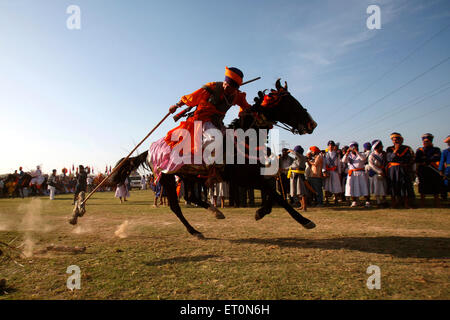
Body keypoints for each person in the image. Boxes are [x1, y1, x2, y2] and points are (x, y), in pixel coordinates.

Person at [149, 67, 252, 186]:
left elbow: (245, 107)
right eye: (225, 84)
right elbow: (193, 97)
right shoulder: (212, 87)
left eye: (230, 87)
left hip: (218, 123)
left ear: (235, 88)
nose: (226, 88)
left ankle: (224, 169)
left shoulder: (237, 96)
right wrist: (177, 105)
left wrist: (246, 112)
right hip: (202, 121)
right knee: (213, 139)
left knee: (231, 141)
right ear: (224, 81)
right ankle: (211, 170)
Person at [386, 132, 415, 208]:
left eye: (397, 140)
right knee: (393, 186)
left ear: (400, 140)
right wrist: (395, 151)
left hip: (403, 169)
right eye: (393, 140)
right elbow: (390, 159)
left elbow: (408, 158)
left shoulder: (407, 149)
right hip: (393, 170)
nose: (395, 142)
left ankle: (406, 203)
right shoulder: (389, 149)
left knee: (404, 186)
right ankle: (394, 203)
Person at [415, 133, 442, 207]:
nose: (424, 142)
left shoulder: (436, 149)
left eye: (427, 141)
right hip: (423, 171)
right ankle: (422, 204)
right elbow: (417, 159)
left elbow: (437, 157)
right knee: (422, 188)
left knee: (435, 188)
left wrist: (427, 160)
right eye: (424, 141)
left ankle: (437, 203)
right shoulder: (419, 150)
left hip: (433, 170)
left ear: (430, 141)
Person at [342, 142, 370, 207]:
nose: (353, 149)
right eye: (352, 147)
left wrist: (357, 152)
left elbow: (363, 158)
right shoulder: (348, 155)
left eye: (355, 147)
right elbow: (343, 161)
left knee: (364, 187)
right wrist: (347, 153)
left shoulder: (361, 154)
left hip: (360, 172)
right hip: (352, 173)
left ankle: (367, 201)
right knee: (352, 187)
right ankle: (354, 201)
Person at [368, 140, 388, 207]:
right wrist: (379, 171)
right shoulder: (372, 155)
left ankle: (384, 201)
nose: (382, 147)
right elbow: (371, 165)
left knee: (384, 187)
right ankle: (378, 201)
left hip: (383, 173)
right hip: (375, 173)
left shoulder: (384, 154)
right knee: (377, 188)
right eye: (380, 146)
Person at [287, 146, 307, 210]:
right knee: (295, 192)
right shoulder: (295, 159)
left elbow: (296, 154)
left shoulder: (302, 157)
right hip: (293, 176)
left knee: (301, 192)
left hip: (299, 176)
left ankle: (304, 207)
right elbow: (291, 166)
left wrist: (291, 151)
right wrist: (282, 169)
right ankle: (302, 205)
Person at [323, 141, 342, 205]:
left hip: (335, 172)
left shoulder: (337, 154)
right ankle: (326, 200)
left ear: (334, 147)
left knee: (335, 186)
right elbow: (324, 163)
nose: (330, 147)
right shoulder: (325, 154)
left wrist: (339, 173)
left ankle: (336, 199)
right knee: (327, 186)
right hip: (328, 171)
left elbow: (339, 164)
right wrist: (324, 171)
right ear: (328, 146)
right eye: (329, 145)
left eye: (332, 145)